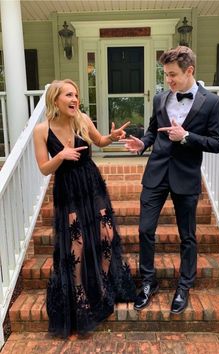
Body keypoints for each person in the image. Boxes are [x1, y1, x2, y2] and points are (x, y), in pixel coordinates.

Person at [122, 46, 219, 315]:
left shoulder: (211, 102)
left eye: (173, 75)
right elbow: (153, 130)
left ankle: (184, 286)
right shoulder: (159, 99)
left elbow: (216, 143)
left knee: (187, 236)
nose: (168, 80)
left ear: (189, 71)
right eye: (166, 75)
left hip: (186, 176)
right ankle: (148, 282)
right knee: (145, 230)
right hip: (156, 173)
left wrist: (187, 137)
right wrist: (142, 143)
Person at [33, 79, 136, 338]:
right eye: (69, 94)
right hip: (68, 189)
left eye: (76, 95)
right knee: (75, 246)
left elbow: (99, 141)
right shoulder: (42, 131)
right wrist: (60, 156)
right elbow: (44, 168)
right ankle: (80, 300)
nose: (74, 99)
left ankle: (101, 289)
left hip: (91, 184)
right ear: (55, 99)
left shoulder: (82, 119)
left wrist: (111, 137)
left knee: (107, 235)